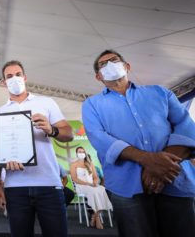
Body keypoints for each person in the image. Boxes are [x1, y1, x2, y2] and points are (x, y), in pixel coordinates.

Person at [82, 49, 195, 237]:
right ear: (98, 76)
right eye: (103, 64)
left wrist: (161, 167)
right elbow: (98, 137)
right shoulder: (92, 104)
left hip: (174, 178)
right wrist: (147, 159)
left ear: (127, 66)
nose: (110, 65)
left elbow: (186, 126)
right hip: (126, 185)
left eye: (114, 60)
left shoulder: (160, 93)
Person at [0, 60, 74, 237]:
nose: (14, 79)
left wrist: (52, 129)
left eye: (17, 74)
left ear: (25, 77)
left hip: (48, 183)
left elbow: (69, 134)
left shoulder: (46, 102)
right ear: (3, 82)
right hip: (15, 186)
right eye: (9, 76)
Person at [70, 147, 112, 229]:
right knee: (94, 191)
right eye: (79, 152)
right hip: (81, 186)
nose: (81, 153)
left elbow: (96, 177)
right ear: (76, 153)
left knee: (103, 189)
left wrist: (95, 182)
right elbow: (75, 179)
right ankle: (97, 218)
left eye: (83, 152)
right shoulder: (73, 165)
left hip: (92, 185)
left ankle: (94, 216)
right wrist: (88, 184)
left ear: (85, 153)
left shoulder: (90, 163)